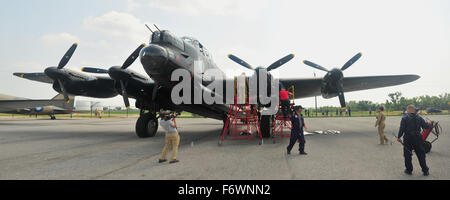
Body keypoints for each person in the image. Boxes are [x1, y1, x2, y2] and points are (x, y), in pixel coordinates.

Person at [397, 105, 432, 176]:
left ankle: (409, 170)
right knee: (421, 155)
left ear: (409, 110)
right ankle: (425, 170)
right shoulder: (419, 117)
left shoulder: (404, 118)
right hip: (418, 138)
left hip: (408, 139)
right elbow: (425, 127)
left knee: (407, 155)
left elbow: (402, 129)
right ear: (414, 110)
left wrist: (399, 137)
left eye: (407, 110)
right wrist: (429, 124)